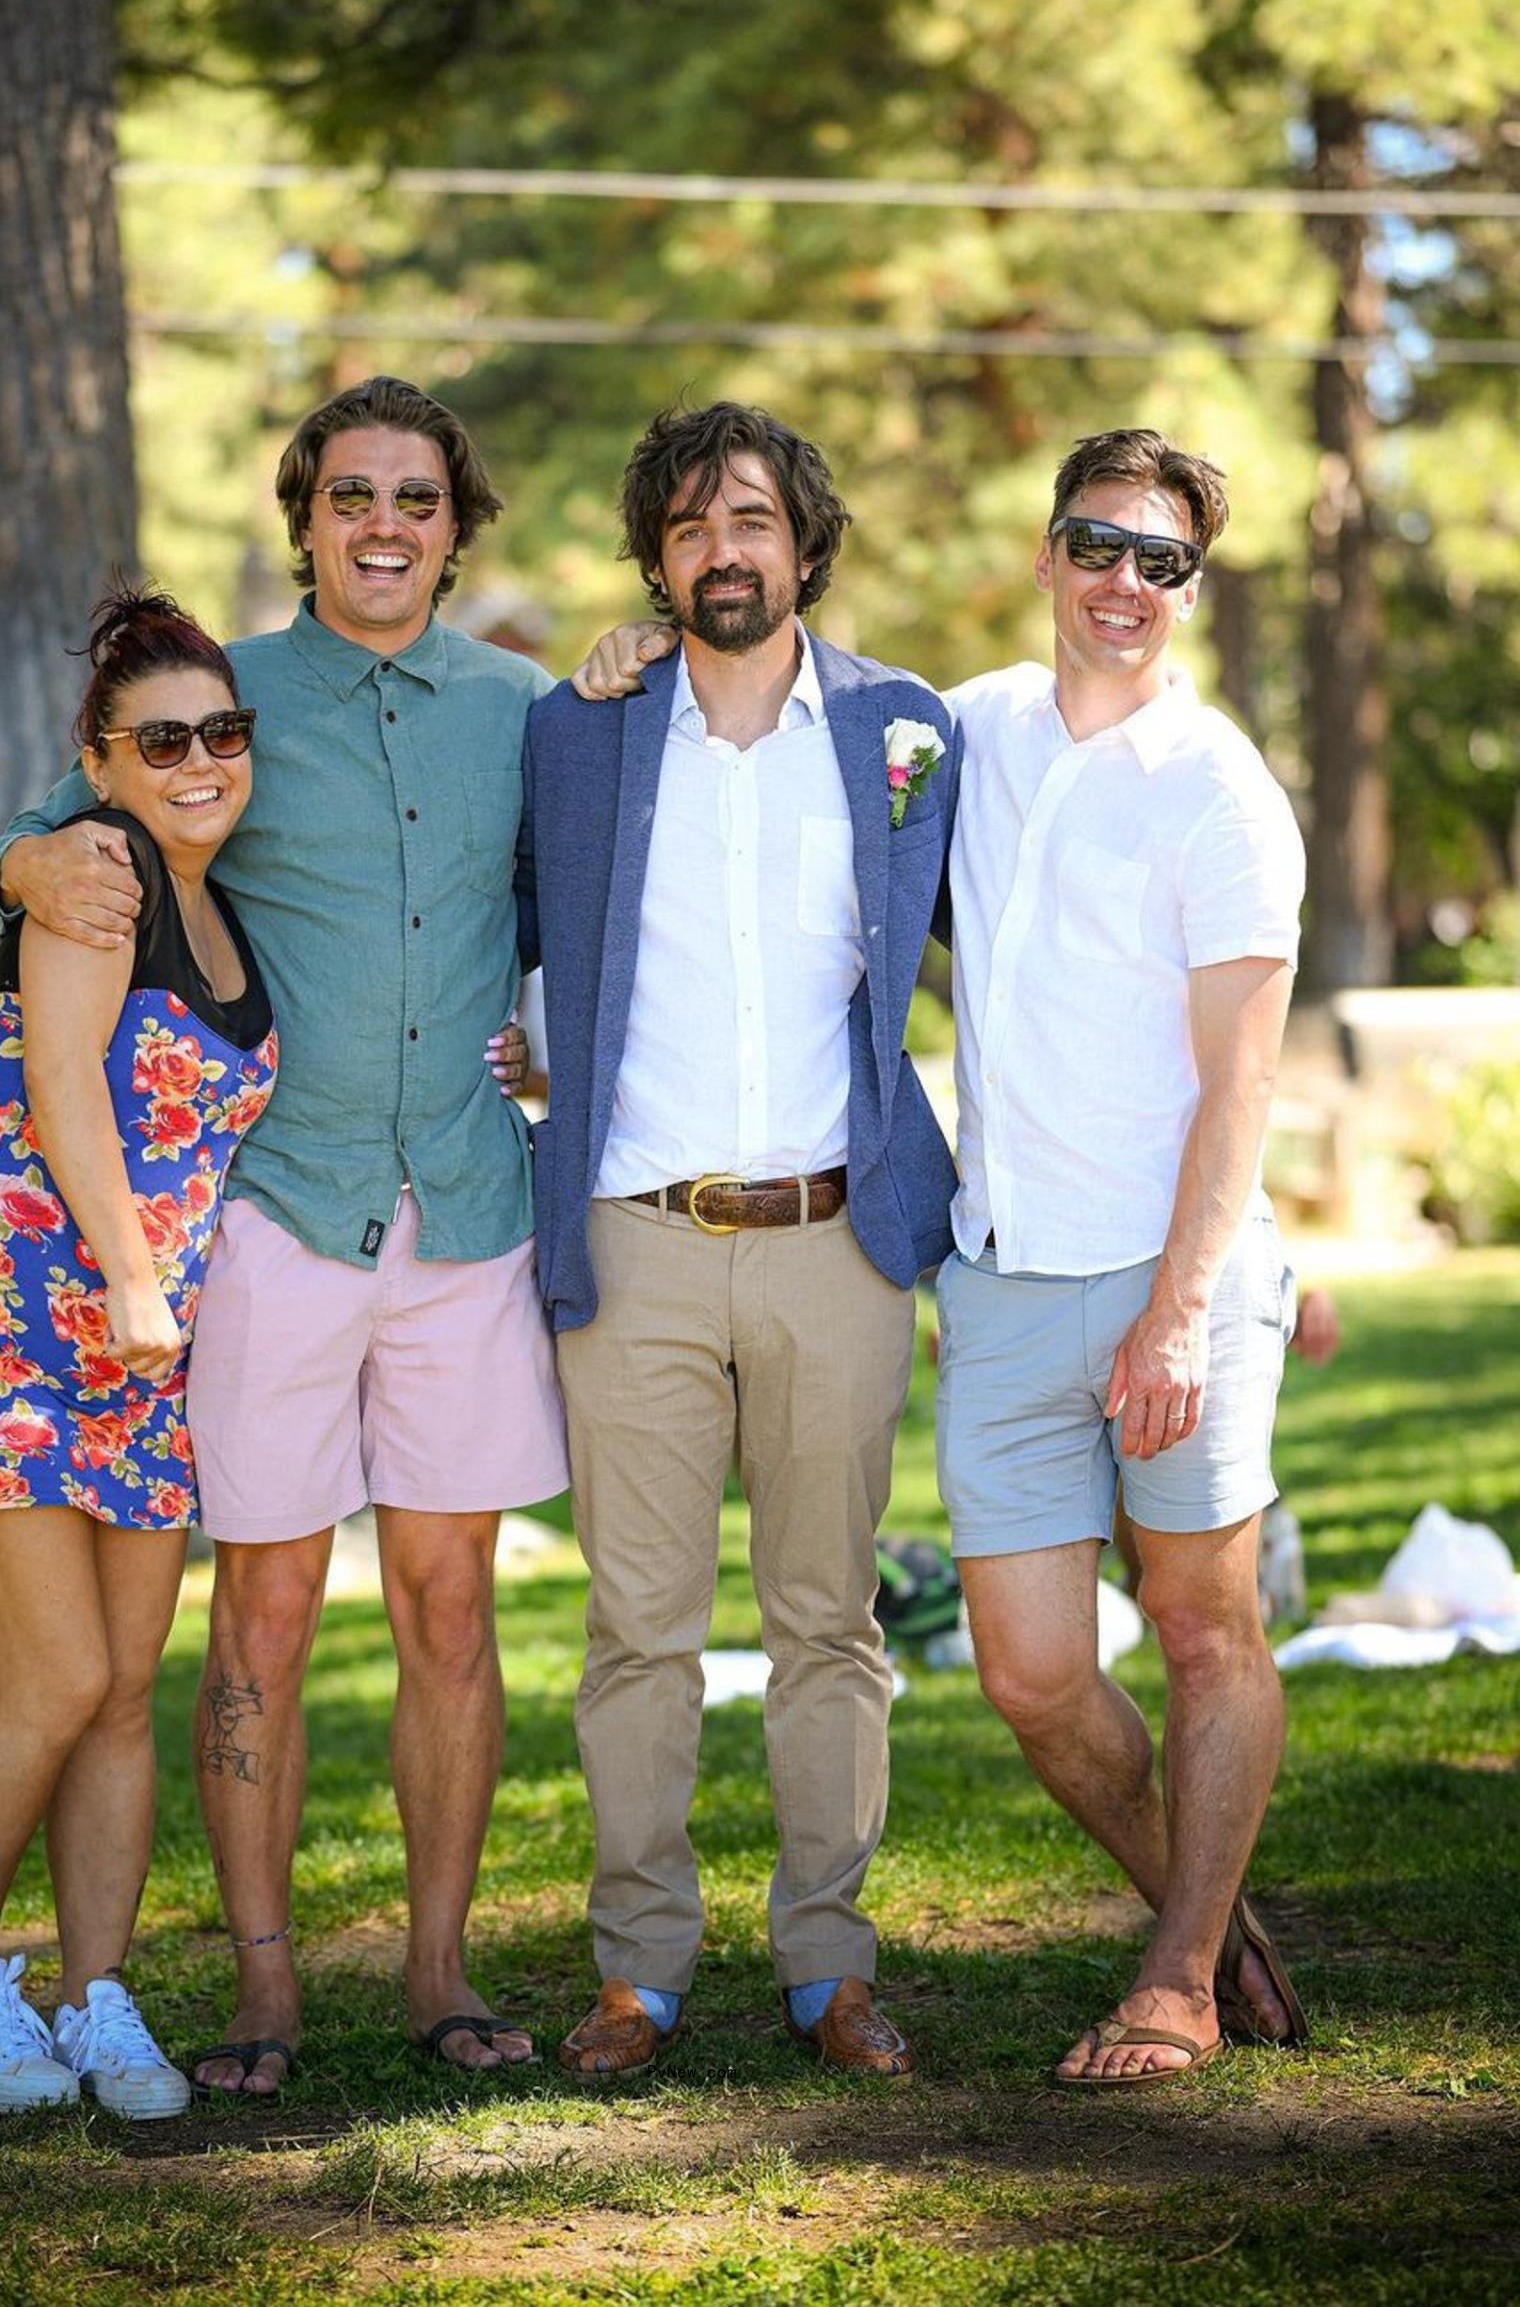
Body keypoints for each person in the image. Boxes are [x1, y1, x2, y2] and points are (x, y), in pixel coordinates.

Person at [0, 378, 569, 2093]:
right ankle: (260, 1988)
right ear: (306, 516)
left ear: (459, 530)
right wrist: (21, 868)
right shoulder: (227, 706)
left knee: (451, 1604)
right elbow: (61, 819)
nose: (385, 525)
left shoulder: (523, 711)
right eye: (353, 496)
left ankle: (442, 1973)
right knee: (267, 1617)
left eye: (419, 500)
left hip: (463, 1209)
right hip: (274, 1225)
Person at [526, 402, 960, 2080]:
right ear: (657, 555)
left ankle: (827, 1969)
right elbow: (503, 924)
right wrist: (522, 1045)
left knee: (828, 1622)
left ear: (805, 544)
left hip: (832, 1240)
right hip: (629, 1237)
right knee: (638, 1631)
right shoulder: (584, 729)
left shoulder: (904, 733)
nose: (728, 548)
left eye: (757, 519)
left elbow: (976, 947)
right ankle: (638, 1973)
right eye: (696, 523)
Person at [934, 430, 1310, 2085]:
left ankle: (1172, 1980)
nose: (1126, 584)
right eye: (1100, 545)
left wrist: (1177, 1314)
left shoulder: (1220, 789)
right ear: (1046, 554)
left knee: (1206, 1626)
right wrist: (638, 643)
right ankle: (1210, 1917)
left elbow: (1243, 1081)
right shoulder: (961, 732)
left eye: (1163, 562)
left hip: (1178, 1282)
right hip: (1005, 1276)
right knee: (1028, 1674)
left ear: (1191, 590)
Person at [0, 586, 277, 2117]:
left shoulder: (225, 904)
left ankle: (97, 2000)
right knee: (49, 1680)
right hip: (11, 1316)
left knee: (122, 1694)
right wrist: (127, 1277)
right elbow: (62, 1082)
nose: (199, 760)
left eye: (222, 732)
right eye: (161, 738)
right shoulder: (95, 875)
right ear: (99, 764)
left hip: (140, 1345)